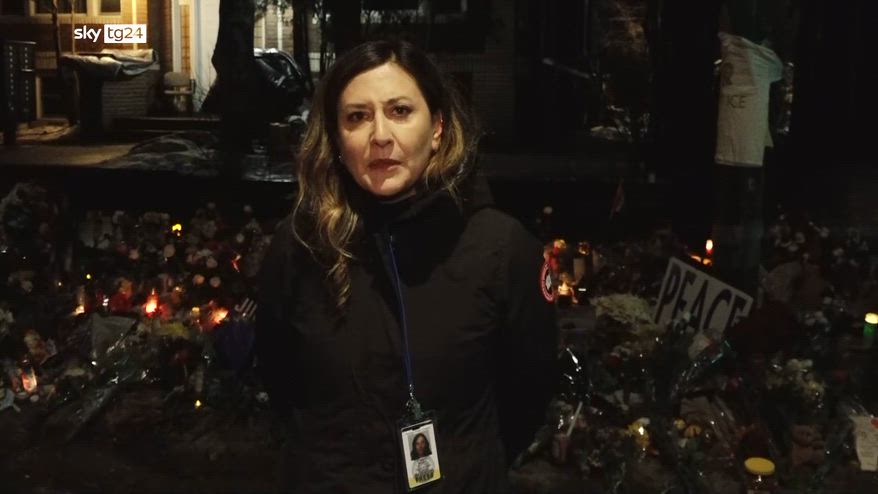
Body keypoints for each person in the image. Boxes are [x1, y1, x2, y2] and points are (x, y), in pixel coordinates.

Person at [256, 39, 558, 493]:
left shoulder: (499, 248)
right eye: (357, 117)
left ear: (437, 128)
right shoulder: (302, 245)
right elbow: (280, 377)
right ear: (336, 138)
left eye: (400, 111)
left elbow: (528, 390)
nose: (380, 135)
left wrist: (463, 463)